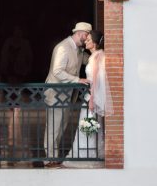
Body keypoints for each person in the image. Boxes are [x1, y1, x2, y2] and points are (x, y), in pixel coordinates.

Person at [43, 21, 91, 166]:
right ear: (81, 34)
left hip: (68, 95)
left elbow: (88, 61)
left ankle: (54, 156)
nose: (87, 39)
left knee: (61, 126)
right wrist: (77, 79)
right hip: (56, 94)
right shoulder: (63, 48)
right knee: (53, 127)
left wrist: (98, 55)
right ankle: (50, 159)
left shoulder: (79, 50)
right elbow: (57, 71)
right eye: (87, 36)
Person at [67, 29, 113, 166]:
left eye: (88, 40)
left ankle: (86, 154)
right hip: (92, 96)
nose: (85, 42)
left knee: (87, 125)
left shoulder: (96, 57)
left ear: (94, 43)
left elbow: (96, 80)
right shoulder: (98, 55)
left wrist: (92, 99)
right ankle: (91, 152)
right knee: (92, 126)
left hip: (91, 97)